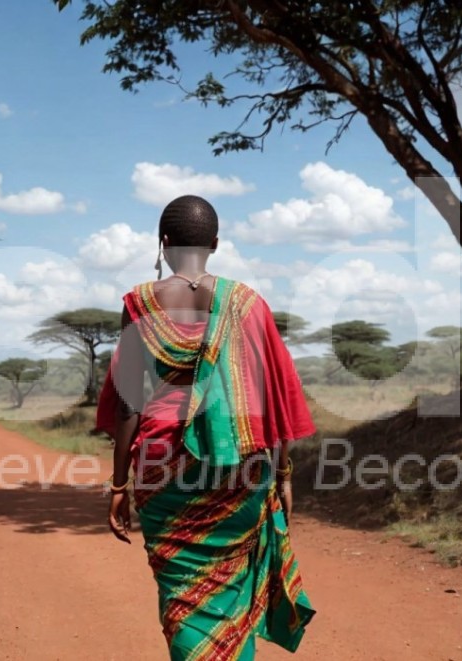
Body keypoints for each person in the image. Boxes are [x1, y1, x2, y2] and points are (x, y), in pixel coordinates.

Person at [95, 195, 316, 659]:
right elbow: (270, 395)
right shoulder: (248, 303)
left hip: (162, 467)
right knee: (230, 591)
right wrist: (282, 474)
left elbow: (129, 405)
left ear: (164, 243)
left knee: (182, 596)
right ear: (215, 243)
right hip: (241, 462)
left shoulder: (139, 303)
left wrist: (119, 484)